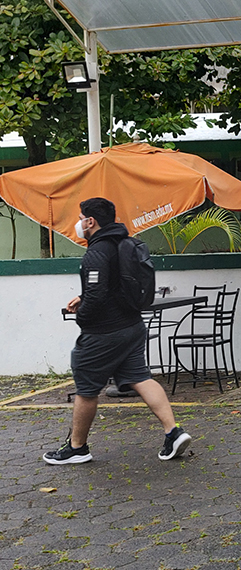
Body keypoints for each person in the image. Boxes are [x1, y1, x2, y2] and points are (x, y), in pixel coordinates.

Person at [42, 197, 190, 465]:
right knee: (140, 377)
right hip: (132, 326)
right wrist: (82, 296)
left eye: (80, 218)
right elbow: (113, 283)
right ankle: (173, 433)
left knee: (86, 388)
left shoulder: (97, 251)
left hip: (103, 332)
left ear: (91, 221)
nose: (78, 223)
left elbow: (98, 293)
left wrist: (83, 317)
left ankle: (77, 448)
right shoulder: (123, 243)